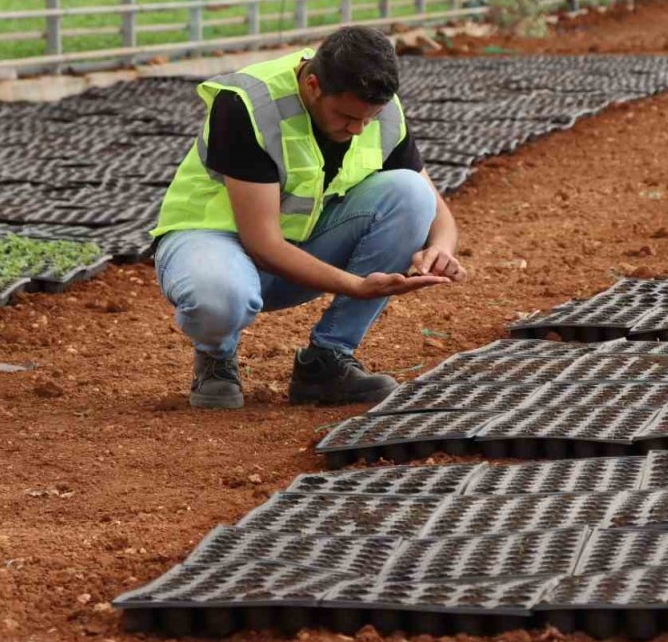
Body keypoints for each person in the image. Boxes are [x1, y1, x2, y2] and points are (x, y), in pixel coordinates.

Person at [150, 26, 467, 409]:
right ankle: (216, 354)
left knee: (410, 194)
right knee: (220, 295)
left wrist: (441, 249)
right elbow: (262, 244)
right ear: (314, 85)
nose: (357, 129)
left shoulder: (374, 108)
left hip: (298, 249)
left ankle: (326, 363)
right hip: (212, 240)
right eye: (347, 116)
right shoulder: (249, 104)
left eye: (370, 118)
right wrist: (355, 285)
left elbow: (435, 208)